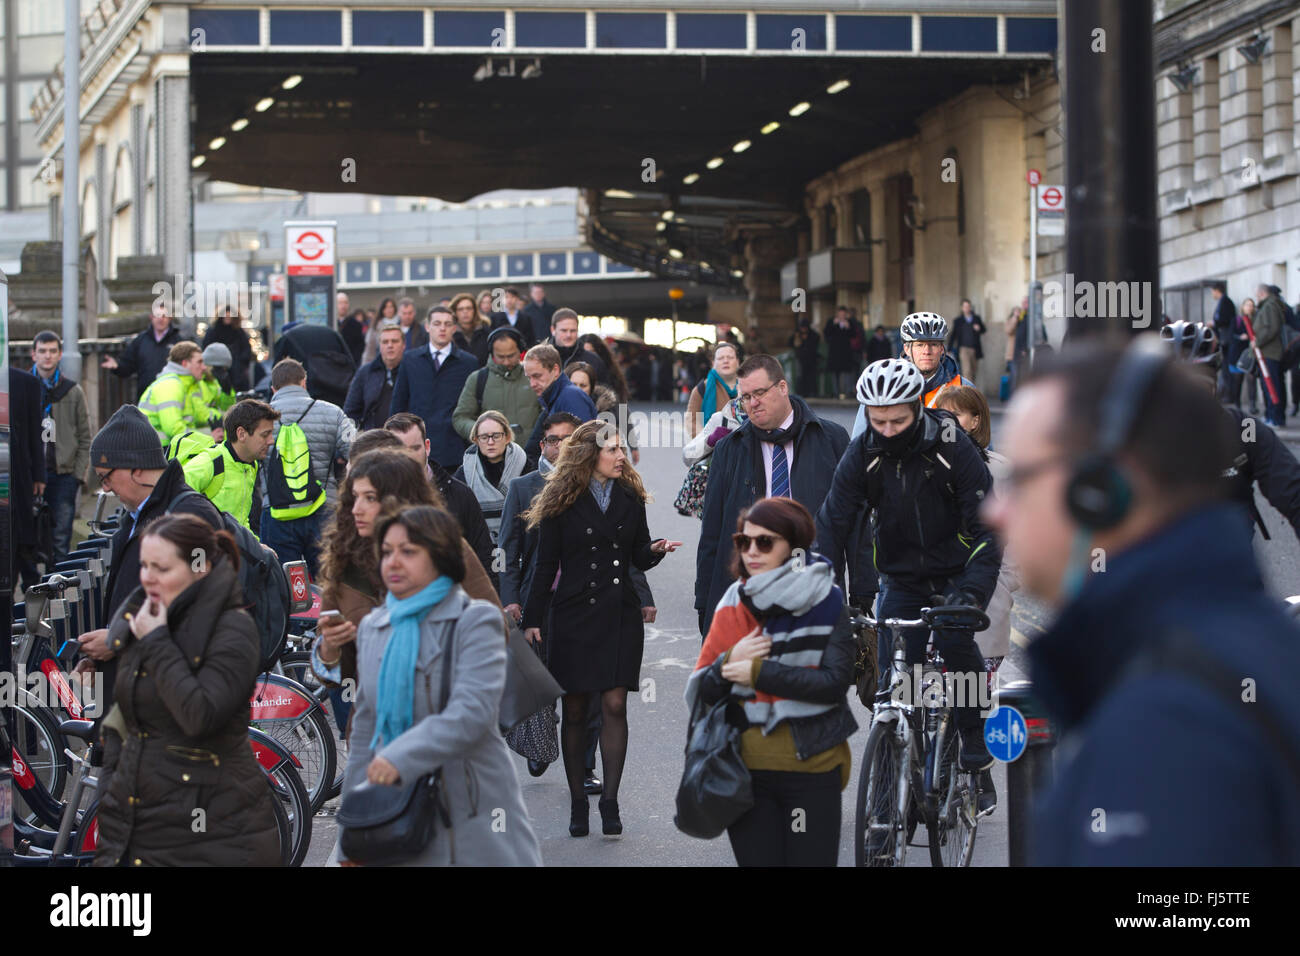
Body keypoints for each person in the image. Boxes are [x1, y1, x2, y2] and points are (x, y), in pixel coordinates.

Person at [985, 337, 1300, 864]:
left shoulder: (1170, 712)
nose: (995, 511)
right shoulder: (1218, 658)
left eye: (1020, 478)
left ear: (1098, 491)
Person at [817, 359, 1001, 776]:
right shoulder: (863, 450)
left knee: (956, 642)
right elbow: (832, 523)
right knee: (897, 679)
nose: (886, 430)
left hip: (957, 571)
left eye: (897, 420)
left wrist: (972, 592)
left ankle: (972, 734)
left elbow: (989, 527)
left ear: (917, 407)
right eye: (877, 420)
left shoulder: (953, 443)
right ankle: (899, 763)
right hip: (901, 576)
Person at [331, 506, 541, 866]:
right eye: (387, 552)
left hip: (474, 814)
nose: (394, 562)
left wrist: (399, 757)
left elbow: (470, 713)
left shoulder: (475, 621)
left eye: (408, 552)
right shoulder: (375, 628)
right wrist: (352, 832)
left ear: (440, 557)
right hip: (398, 819)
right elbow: (366, 732)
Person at [522, 421, 681, 837]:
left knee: (614, 706)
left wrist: (656, 550)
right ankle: (578, 804)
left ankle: (609, 802)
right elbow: (545, 566)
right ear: (590, 456)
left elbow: (638, 556)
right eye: (613, 451)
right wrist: (532, 620)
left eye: (622, 450)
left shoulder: (630, 497)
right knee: (574, 710)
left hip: (618, 614)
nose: (621, 457)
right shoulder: (559, 499)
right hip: (573, 615)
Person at [93, 513, 279, 867]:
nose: (148, 577)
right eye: (144, 566)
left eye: (162, 568)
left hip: (211, 831)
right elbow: (127, 727)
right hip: (146, 828)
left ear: (200, 567)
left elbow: (200, 716)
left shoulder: (232, 629)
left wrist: (158, 642)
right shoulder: (148, 620)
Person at [687, 498, 856, 867]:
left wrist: (757, 673)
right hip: (745, 773)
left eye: (765, 542)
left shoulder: (826, 600)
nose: (751, 552)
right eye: (743, 542)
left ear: (793, 548)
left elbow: (833, 683)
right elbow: (702, 690)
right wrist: (727, 664)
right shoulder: (734, 601)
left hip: (812, 768)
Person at [77, 407, 225, 803]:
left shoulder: (188, 513)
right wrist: (107, 651)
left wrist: (117, 640)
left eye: (107, 477)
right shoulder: (138, 514)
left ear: (138, 470)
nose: (104, 489)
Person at [310, 447, 504, 734]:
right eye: (354, 497)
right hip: (375, 730)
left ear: (398, 499)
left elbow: (495, 628)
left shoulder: (445, 548)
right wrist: (329, 648)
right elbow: (338, 672)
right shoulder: (344, 563)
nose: (356, 508)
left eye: (370, 498)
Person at [696, 354, 851, 636]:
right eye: (745, 397)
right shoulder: (729, 449)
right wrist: (703, 600)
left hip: (812, 579)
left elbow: (855, 519)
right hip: (751, 583)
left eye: (759, 393)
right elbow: (712, 531)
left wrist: (864, 589)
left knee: (809, 671)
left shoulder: (832, 439)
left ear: (782, 388)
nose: (752, 403)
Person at [932, 384, 1020, 814]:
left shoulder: (1000, 471)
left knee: (971, 690)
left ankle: (979, 774)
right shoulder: (924, 463)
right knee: (931, 693)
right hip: (935, 595)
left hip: (985, 600)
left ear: (976, 421)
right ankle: (938, 775)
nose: (949, 421)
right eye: (942, 413)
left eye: (959, 414)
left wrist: (1003, 586)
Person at [1163, 320, 1300, 544]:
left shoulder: (1243, 430)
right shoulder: (1135, 438)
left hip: (1230, 566)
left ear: (1215, 387)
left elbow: (1294, 492)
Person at [262, 359, 356, 575]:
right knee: (328, 580)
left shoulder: (261, 418)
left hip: (277, 512)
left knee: (285, 585)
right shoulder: (333, 413)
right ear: (304, 382)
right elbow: (356, 449)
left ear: (273, 389)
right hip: (324, 509)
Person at [385, 412, 495, 576]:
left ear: (427, 447)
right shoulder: (378, 499)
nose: (409, 457)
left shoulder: (460, 495)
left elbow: (484, 558)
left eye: (415, 448)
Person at [850, 312, 973, 440]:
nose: (927, 351)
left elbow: (983, 446)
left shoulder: (963, 387)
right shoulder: (881, 388)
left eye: (933, 344)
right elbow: (859, 442)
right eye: (920, 345)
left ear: (942, 349)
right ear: (907, 349)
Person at [390, 305, 480, 471]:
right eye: (437, 323)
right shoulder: (410, 359)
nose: (442, 328)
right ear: (427, 327)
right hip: (416, 447)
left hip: (455, 448)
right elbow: (399, 402)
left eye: (447, 324)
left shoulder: (469, 363)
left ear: (454, 328)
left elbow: (475, 407)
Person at [31, 331, 91, 564]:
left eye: (52, 351)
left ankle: (57, 592)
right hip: (32, 475)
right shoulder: (24, 387)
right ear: (33, 354)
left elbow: (86, 437)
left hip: (63, 475)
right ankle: (32, 592)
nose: (47, 357)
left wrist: (78, 475)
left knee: (61, 541)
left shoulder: (72, 391)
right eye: (43, 351)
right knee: (28, 540)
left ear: (60, 355)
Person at [182, 399, 279, 530]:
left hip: (231, 547)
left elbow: (242, 520)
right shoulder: (210, 462)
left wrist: (255, 545)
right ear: (241, 434)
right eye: (265, 435)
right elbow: (173, 500)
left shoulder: (251, 464)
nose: (271, 441)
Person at [453, 410, 527, 546]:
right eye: (484, 437)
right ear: (476, 440)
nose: (490, 442)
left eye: (496, 436)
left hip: (520, 544)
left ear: (508, 437)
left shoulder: (525, 466)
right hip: (479, 546)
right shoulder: (465, 473)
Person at [452, 326, 539, 443]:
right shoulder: (477, 379)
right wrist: (482, 433)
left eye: (511, 356)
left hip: (530, 454)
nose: (506, 362)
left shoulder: (534, 376)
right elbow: (460, 418)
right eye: (501, 357)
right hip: (491, 455)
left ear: (521, 351)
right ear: (492, 354)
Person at [520, 343, 598, 462]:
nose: (532, 384)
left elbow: (585, 448)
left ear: (555, 370)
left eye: (537, 376)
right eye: (529, 378)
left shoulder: (571, 397)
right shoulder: (555, 397)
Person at [102, 302, 190, 400]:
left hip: (172, 395)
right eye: (158, 315)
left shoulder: (178, 341)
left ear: (170, 318)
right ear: (151, 317)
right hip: (146, 397)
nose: (161, 319)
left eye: (164, 316)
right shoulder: (140, 340)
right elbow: (128, 365)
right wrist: (117, 366)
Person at [10, 365, 45, 587]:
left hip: (17, 477)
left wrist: (39, 475)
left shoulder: (26, 383)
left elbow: (35, 433)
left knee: (18, 539)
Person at [272, 320, 357, 408]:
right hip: (338, 391)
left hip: (311, 393)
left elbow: (276, 372)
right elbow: (350, 363)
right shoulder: (332, 333)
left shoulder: (288, 337)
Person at [140, 342, 208, 444]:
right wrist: (208, 440)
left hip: (163, 449)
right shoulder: (170, 384)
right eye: (199, 362)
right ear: (185, 364)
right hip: (159, 452)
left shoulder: (185, 384)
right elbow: (173, 429)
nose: (204, 367)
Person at [344, 319, 405, 431]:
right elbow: (351, 411)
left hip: (405, 439)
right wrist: (350, 442)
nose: (390, 345)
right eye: (385, 342)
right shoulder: (365, 372)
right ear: (379, 346)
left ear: (403, 345)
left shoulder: (411, 370)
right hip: (372, 439)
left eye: (395, 341)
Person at [685, 342, 740, 438]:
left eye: (730, 357)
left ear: (738, 362)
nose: (725, 361)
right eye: (720, 358)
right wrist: (707, 440)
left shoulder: (749, 386)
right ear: (713, 363)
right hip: (713, 448)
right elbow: (691, 421)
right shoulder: (702, 388)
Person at [1251, 283, 1288, 427]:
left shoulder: (1270, 306)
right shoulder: (1269, 305)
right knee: (1269, 386)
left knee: (1272, 386)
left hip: (1270, 353)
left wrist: (1257, 342)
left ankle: (1275, 418)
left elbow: (1271, 328)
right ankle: (1271, 416)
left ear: (1261, 293)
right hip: (1267, 352)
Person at [202, 306, 254, 392]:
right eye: (226, 316)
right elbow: (206, 346)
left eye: (230, 317)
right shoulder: (213, 331)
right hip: (217, 367)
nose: (228, 318)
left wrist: (241, 362)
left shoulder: (239, 332)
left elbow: (246, 349)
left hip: (237, 370)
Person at [822, 306, 863, 399]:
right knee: (835, 373)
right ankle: (836, 392)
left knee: (847, 372)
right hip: (834, 352)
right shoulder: (831, 322)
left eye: (844, 314)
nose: (842, 316)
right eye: (840, 314)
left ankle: (847, 391)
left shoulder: (850, 322)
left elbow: (854, 334)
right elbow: (826, 333)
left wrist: (848, 327)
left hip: (846, 352)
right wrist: (833, 324)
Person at [947, 299, 986, 384]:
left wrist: (979, 328)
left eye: (968, 306)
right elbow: (953, 335)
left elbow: (983, 330)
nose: (967, 308)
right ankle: (969, 392)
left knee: (973, 371)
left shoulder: (976, 318)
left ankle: (972, 390)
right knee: (967, 371)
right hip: (963, 349)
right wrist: (949, 349)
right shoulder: (958, 321)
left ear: (970, 307)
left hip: (975, 349)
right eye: (965, 306)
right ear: (962, 308)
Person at [1209, 281, 1236, 401]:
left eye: (1212, 292)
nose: (1212, 294)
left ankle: (1229, 394)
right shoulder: (1223, 302)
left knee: (1227, 369)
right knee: (1224, 369)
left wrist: (1214, 323)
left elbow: (1225, 320)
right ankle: (1226, 393)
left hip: (1226, 340)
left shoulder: (1226, 302)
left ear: (1216, 290)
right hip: (1223, 339)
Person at [450, 292, 492, 365]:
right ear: (455, 312)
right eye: (460, 309)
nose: (465, 312)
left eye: (468, 308)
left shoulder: (486, 331)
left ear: (474, 310)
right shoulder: (450, 334)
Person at [1234, 298, 1259, 413]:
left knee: (1251, 379)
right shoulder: (1237, 320)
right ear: (1243, 307)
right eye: (1247, 305)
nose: (1249, 307)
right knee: (1238, 380)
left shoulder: (1256, 319)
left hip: (1251, 353)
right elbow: (1231, 335)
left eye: (1251, 305)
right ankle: (1237, 404)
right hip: (1238, 353)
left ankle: (1252, 404)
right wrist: (1240, 337)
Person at [361, 297, 398, 366]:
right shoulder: (376, 326)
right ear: (382, 310)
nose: (389, 310)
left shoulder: (400, 324)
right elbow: (370, 347)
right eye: (386, 307)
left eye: (391, 307)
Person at [789, 318, 821, 399]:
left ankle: (812, 392)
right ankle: (801, 392)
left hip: (811, 358)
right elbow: (790, 343)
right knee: (800, 376)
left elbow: (816, 341)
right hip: (800, 358)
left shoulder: (813, 334)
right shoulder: (797, 334)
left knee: (811, 376)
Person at [340, 301, 368, 367]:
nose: (343, 306)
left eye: (346, 303)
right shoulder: (330, 323)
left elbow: (360, 344)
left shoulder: (355, 324)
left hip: (351, 362)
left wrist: (353, 359)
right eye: (340, 303)